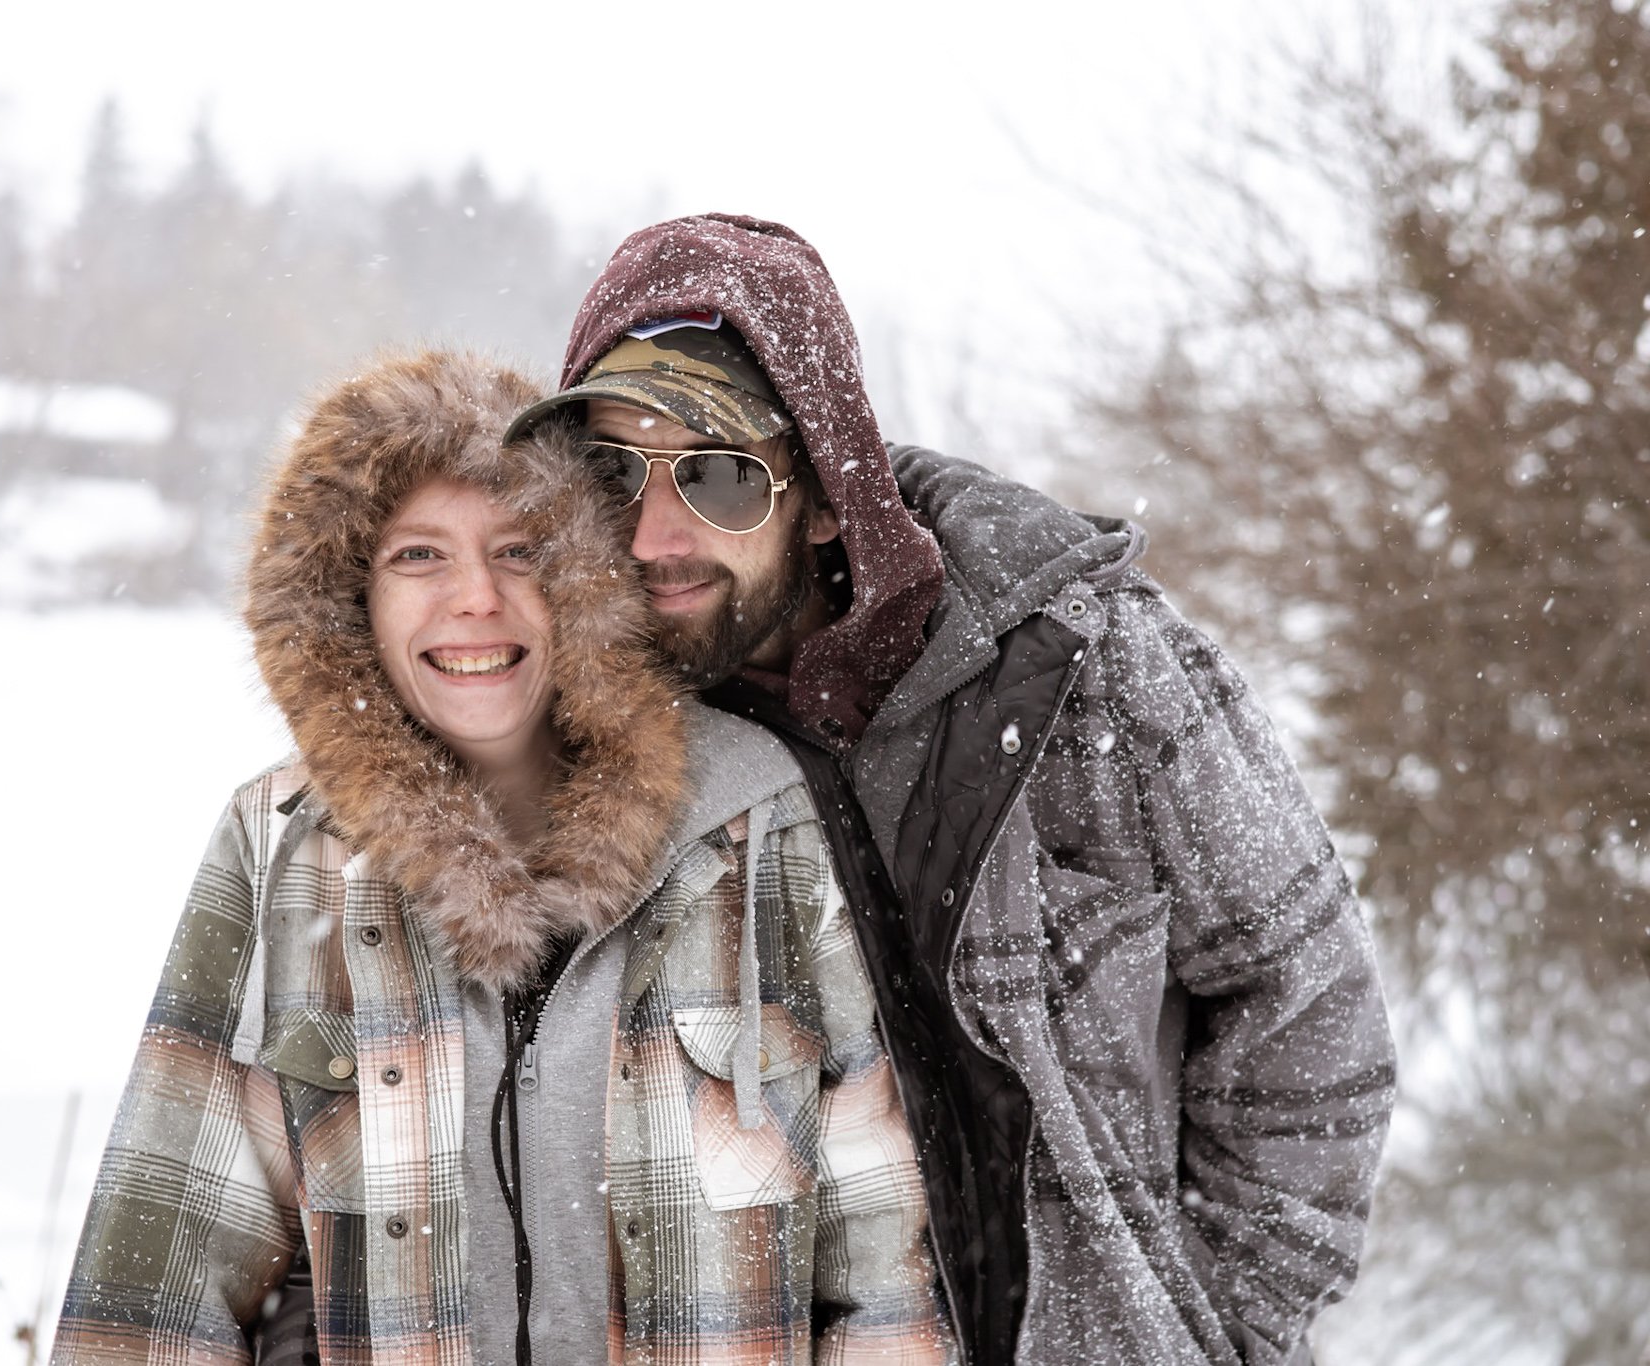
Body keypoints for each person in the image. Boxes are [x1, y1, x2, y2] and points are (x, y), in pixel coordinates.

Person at [498, 215, 1399, 1366]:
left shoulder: (1083, 664)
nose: (657, 533)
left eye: (719, 475)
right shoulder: (579, 738)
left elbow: (1307, 999)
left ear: (825, 492)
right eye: (611, 473)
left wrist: (1219, 1329)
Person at [50, 350, 956, 1365]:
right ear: (349, 599)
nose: (474, 598)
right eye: (418, 557)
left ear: (581, 578)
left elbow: (884, 1291)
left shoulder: (761, 821)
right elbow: (156, 1297)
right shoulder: (279, 846)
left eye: (519, 551)